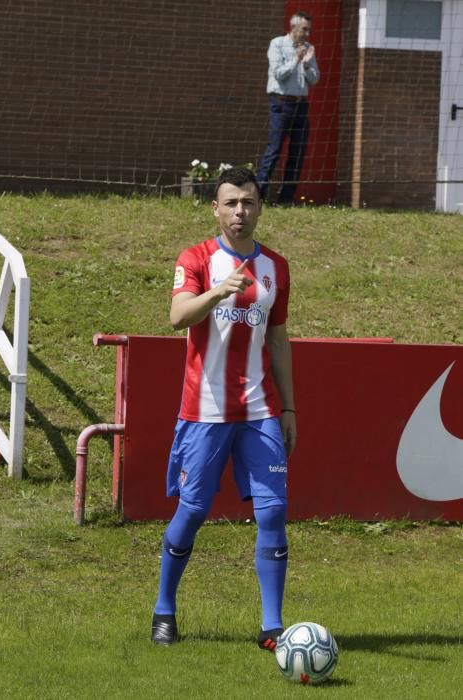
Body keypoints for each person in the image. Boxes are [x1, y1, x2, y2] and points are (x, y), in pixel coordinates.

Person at [151, 166, 296, 651]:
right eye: (231, 203)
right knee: (192, 512)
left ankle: (272, 628)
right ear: (215, 209)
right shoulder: (195, 259)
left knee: (274, 511)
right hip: (205, 410)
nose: (240, 211)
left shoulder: (277, 267)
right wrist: (217, 291)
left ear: (260, 208)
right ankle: (164, 611)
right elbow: (176, 317)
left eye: (249, 202)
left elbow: (277, 339)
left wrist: (289, 410)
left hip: (261, 411)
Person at [257, 11, 320, 205]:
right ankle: (258, 196)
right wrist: (296, 59)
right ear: (293, 28)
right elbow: (278, 74)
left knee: (298, 151)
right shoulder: (277, 44)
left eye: (309, 30)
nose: (307, 34)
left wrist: (308, 63)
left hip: (301, 105)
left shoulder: (309, 48)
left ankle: (286, 198)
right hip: (281, 103)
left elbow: (315, 79)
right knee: (274, 149)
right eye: (304, 29)